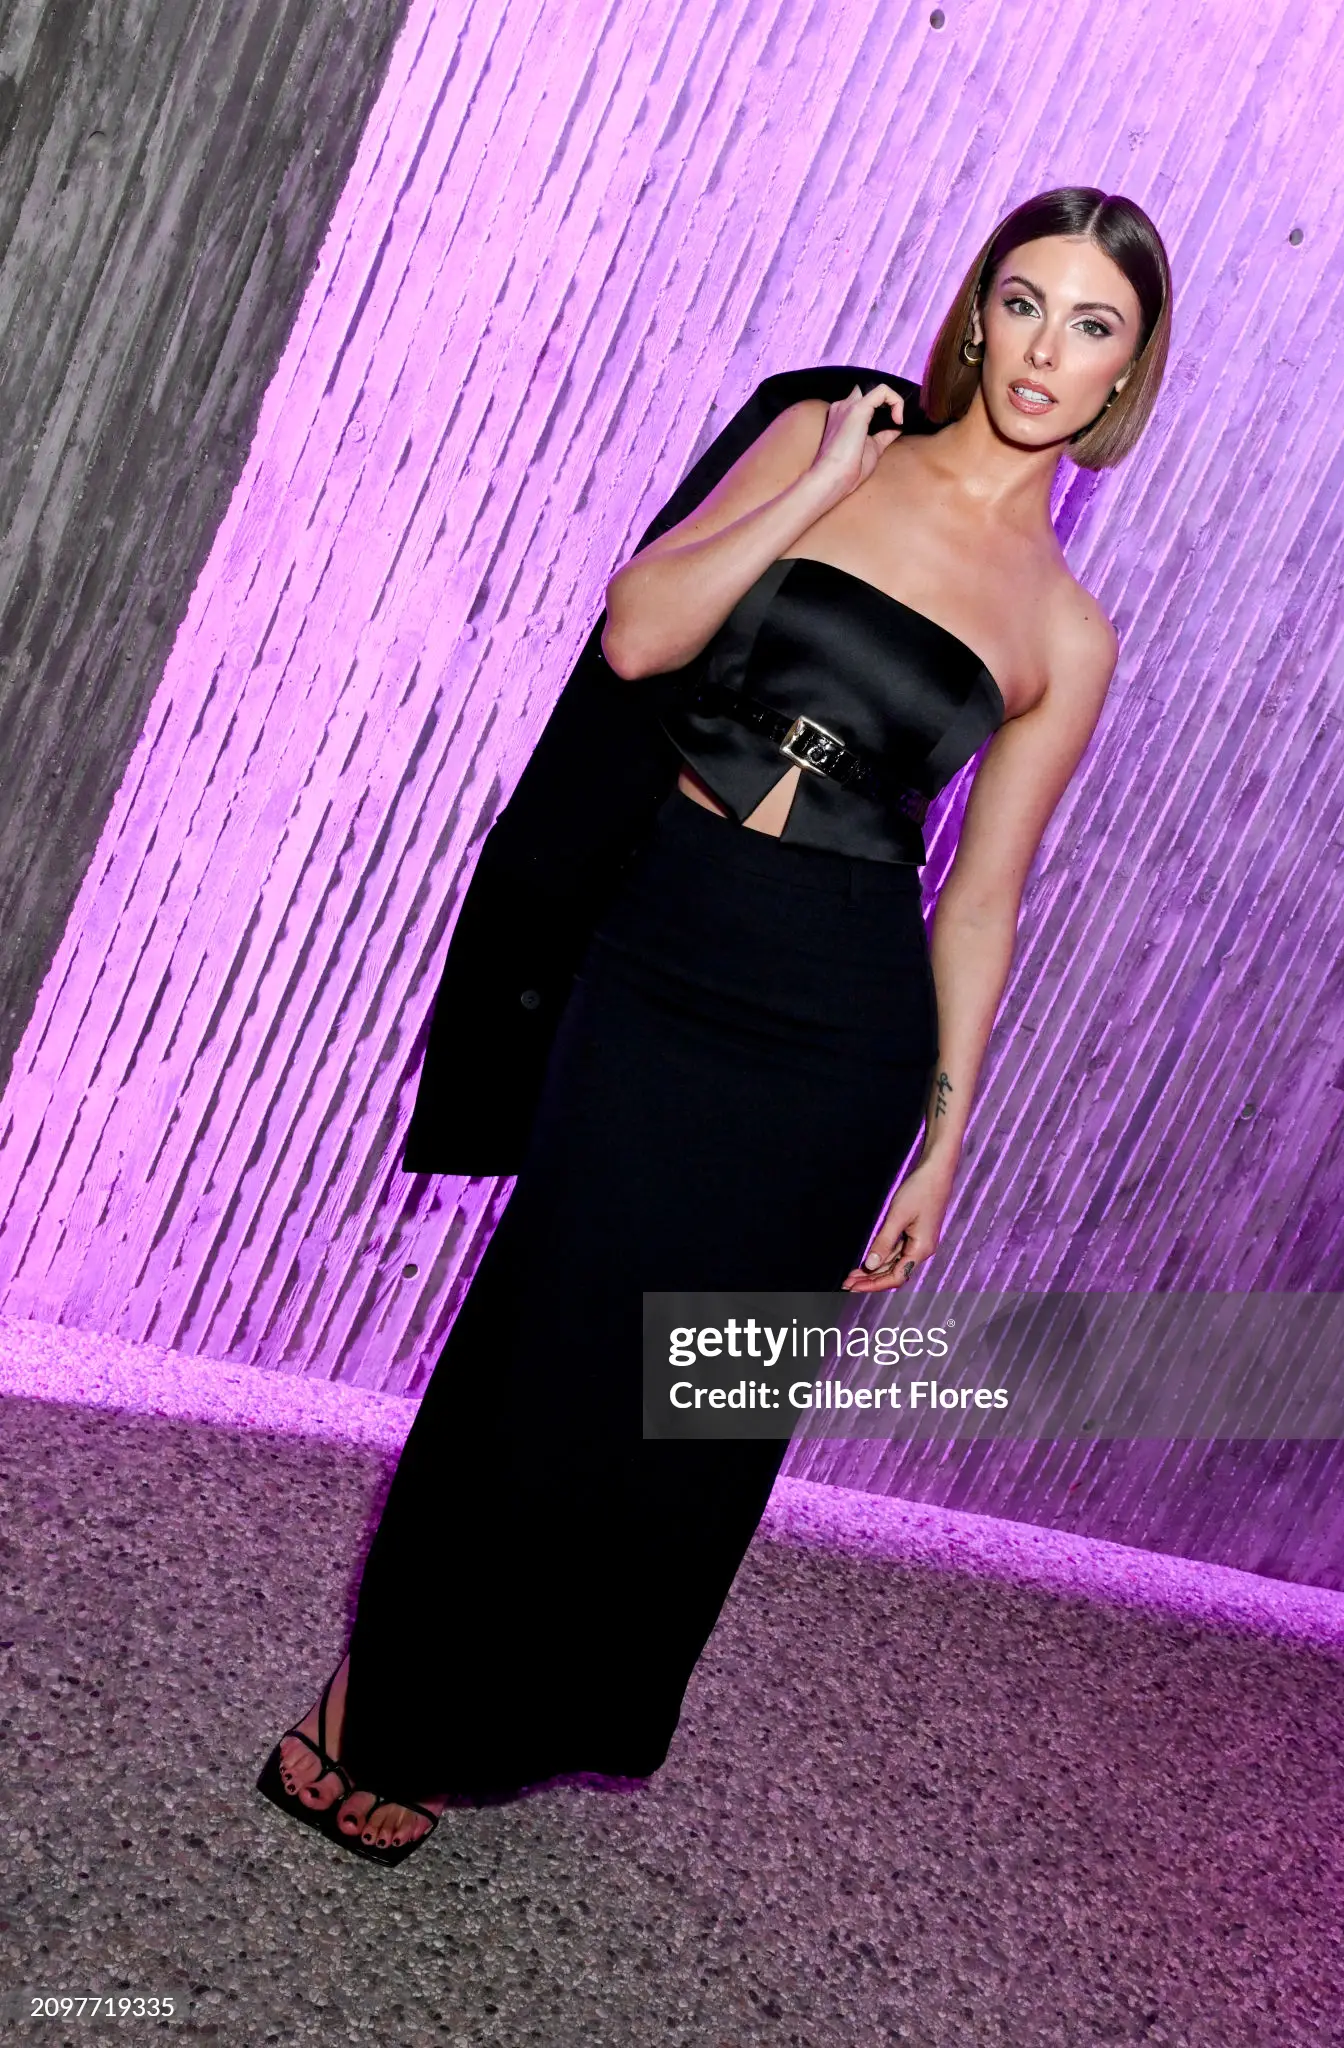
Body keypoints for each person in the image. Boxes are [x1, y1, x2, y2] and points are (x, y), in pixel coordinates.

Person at [255, 186, 1173, 1866]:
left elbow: (979, 901)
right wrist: (820, 487)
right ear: (977, 312)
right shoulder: (831, 431)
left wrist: (942, 1137)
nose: (1046, 349)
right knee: (541, 1344)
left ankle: (474, 1727)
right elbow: (638, 636)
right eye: (1024, 303)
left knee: (676, 1407)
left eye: (1090, 325)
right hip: (658, 946)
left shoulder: (1066, 632)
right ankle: (382, 1687)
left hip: (835, 1027)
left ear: (1127, 370)